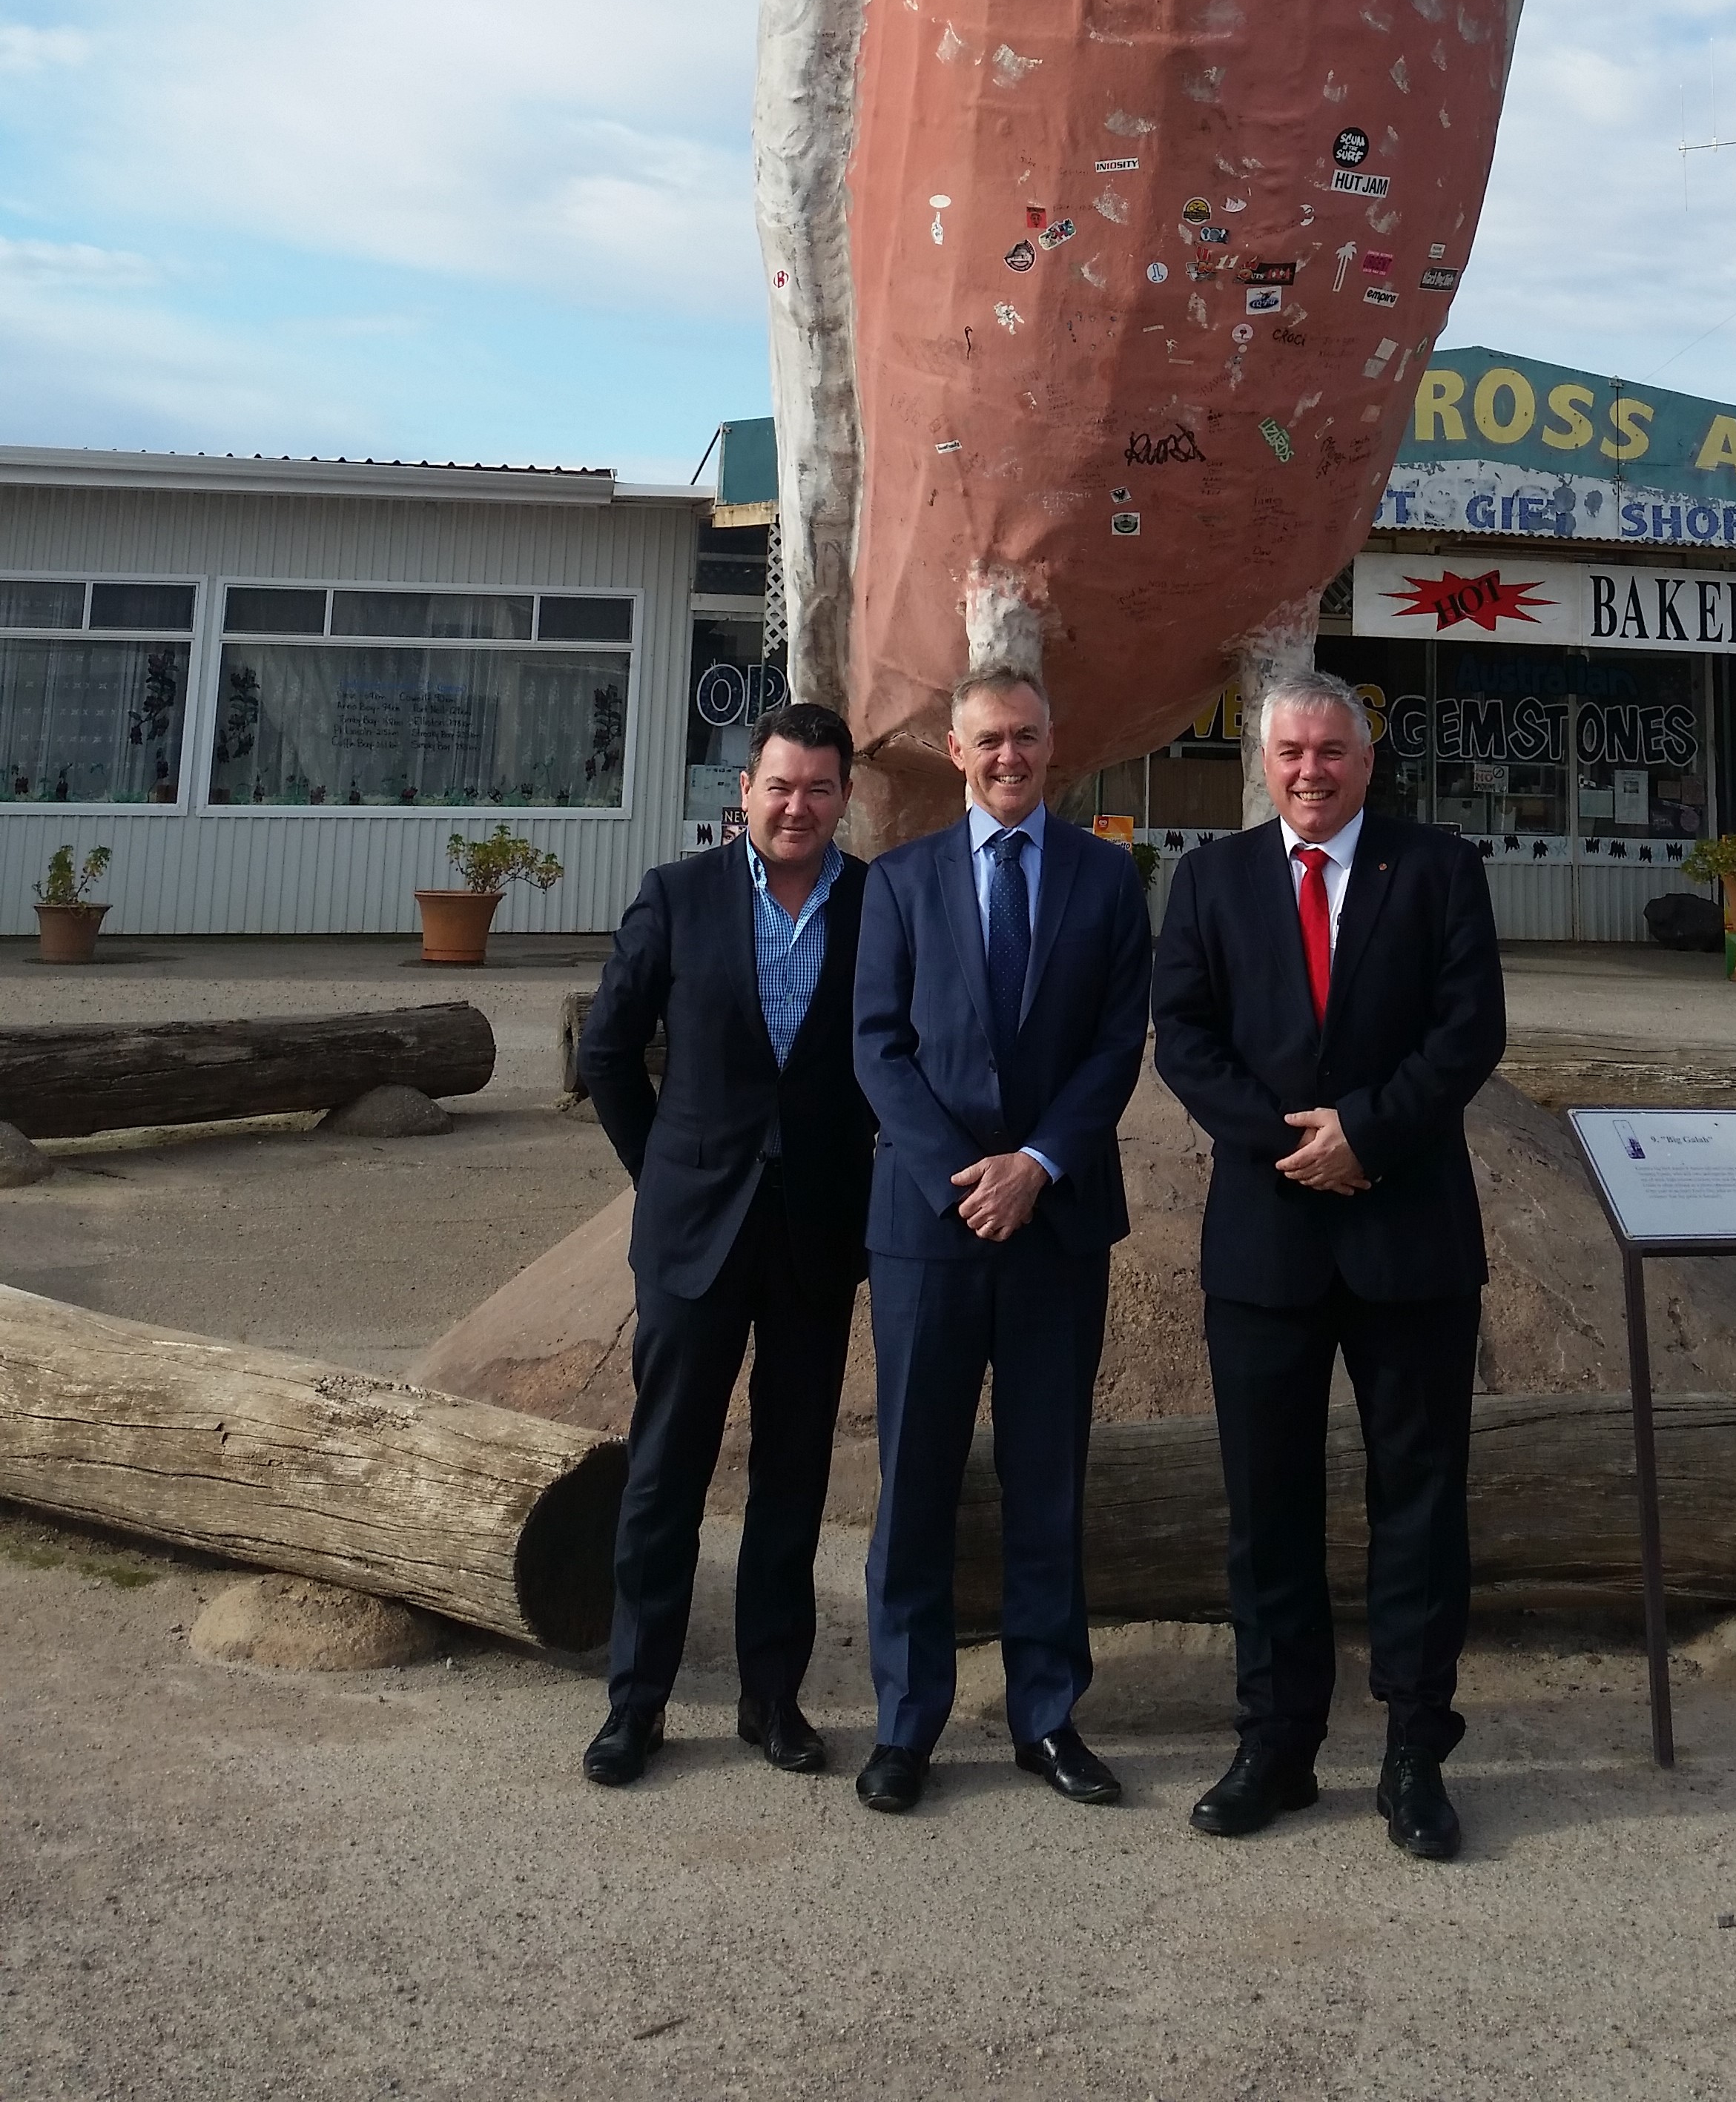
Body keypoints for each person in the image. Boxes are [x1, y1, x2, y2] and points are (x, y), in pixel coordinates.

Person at [1150, 673, 1506, 1862]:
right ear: (1265, 760)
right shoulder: (1208, 880)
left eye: (1333, 752)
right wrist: (1293, 1146)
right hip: (1267, 1241)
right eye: (1291, 752)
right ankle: (1278, 1744)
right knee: (1270, 1509)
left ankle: (1414, 1750)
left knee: (1418, 1504)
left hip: (1411, 1239)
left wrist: (1367, 1133)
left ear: (1368, 757)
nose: (1311, 772)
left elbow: (1469, 1033)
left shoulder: (1441, 869)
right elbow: (1186, 1038)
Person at [850, 662, 1152, 1815]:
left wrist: (1037, 1167)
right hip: (929, 1233)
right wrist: (963, 1177)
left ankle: (1046, 1716)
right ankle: (905, 1724)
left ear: (1051, 744)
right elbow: (879, 1048)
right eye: (990, 741)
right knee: (914, 1482)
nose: (1010, 757)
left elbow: (1117, 1042)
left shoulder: (1106, 879)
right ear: (955, 750)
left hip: (1056, 1223)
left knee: (1044, 1480)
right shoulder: (901, 881)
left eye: (1027, 737)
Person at [576, 700, 876, 1786]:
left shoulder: (878, 904)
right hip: (694, 1234)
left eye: (820, 788)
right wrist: (660, 1174)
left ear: (846, 797)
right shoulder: (678, 897)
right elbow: (607, 1053)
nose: (798, 807)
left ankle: (772, 1698)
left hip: (815, 1238)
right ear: (742, 791)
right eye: (780, 785)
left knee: (792, 1474)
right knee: (666, 1472)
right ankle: (638, 1703)